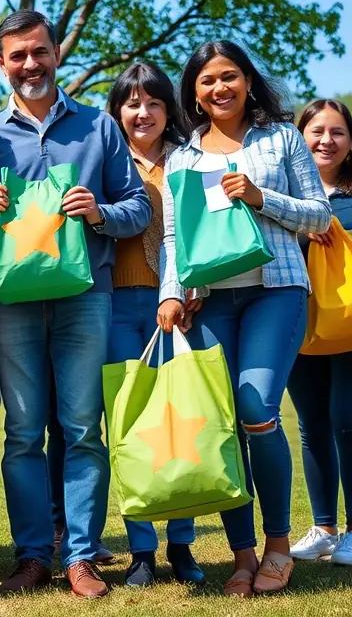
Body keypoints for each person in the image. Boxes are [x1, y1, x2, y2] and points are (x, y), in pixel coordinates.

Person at [0, 10, 152, 598]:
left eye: (39, 52)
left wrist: (99, 213)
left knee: (82, 430)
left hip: (84, 299)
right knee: (22, 434)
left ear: (56, 53)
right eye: (17, 55)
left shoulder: (99, 128)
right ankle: (30, 556)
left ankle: (80, 558)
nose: (30, 64)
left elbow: (138, 210)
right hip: (12, 306)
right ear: (1, 64)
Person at [157, 40, 332, 597]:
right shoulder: (181, 157)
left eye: (229, 76)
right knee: (222, 424)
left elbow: (319, 214)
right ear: (194, 92)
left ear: (248, 81)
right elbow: (172, 238)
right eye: (207, 81)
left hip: (274, 291)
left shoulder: (280, 138)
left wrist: (261, 197)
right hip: (209, 301)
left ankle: (279, 547)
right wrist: (172, 292)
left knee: (257, 410)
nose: (219, 88)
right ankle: (241, 556)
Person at [102, 61, 203, 586]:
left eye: (154, 103)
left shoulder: (189, 159)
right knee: (132, 427)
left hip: (179, 309)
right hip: (114, 306)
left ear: (170, 110)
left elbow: (202, 233)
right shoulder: (105, 158)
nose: (142, 113)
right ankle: (141, 548)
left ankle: (182, 545)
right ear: (117, 110)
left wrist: (191, 290)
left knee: (179, 421)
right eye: (132, 103)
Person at [288, 99, 352, 564]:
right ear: (300, 137)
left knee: (346, 419)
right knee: (311, 425)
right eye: (316, 131)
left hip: (350, 324)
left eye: (338, 132)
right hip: (297, 323)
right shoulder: (285, 195)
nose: (326, 140)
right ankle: (324, 527)